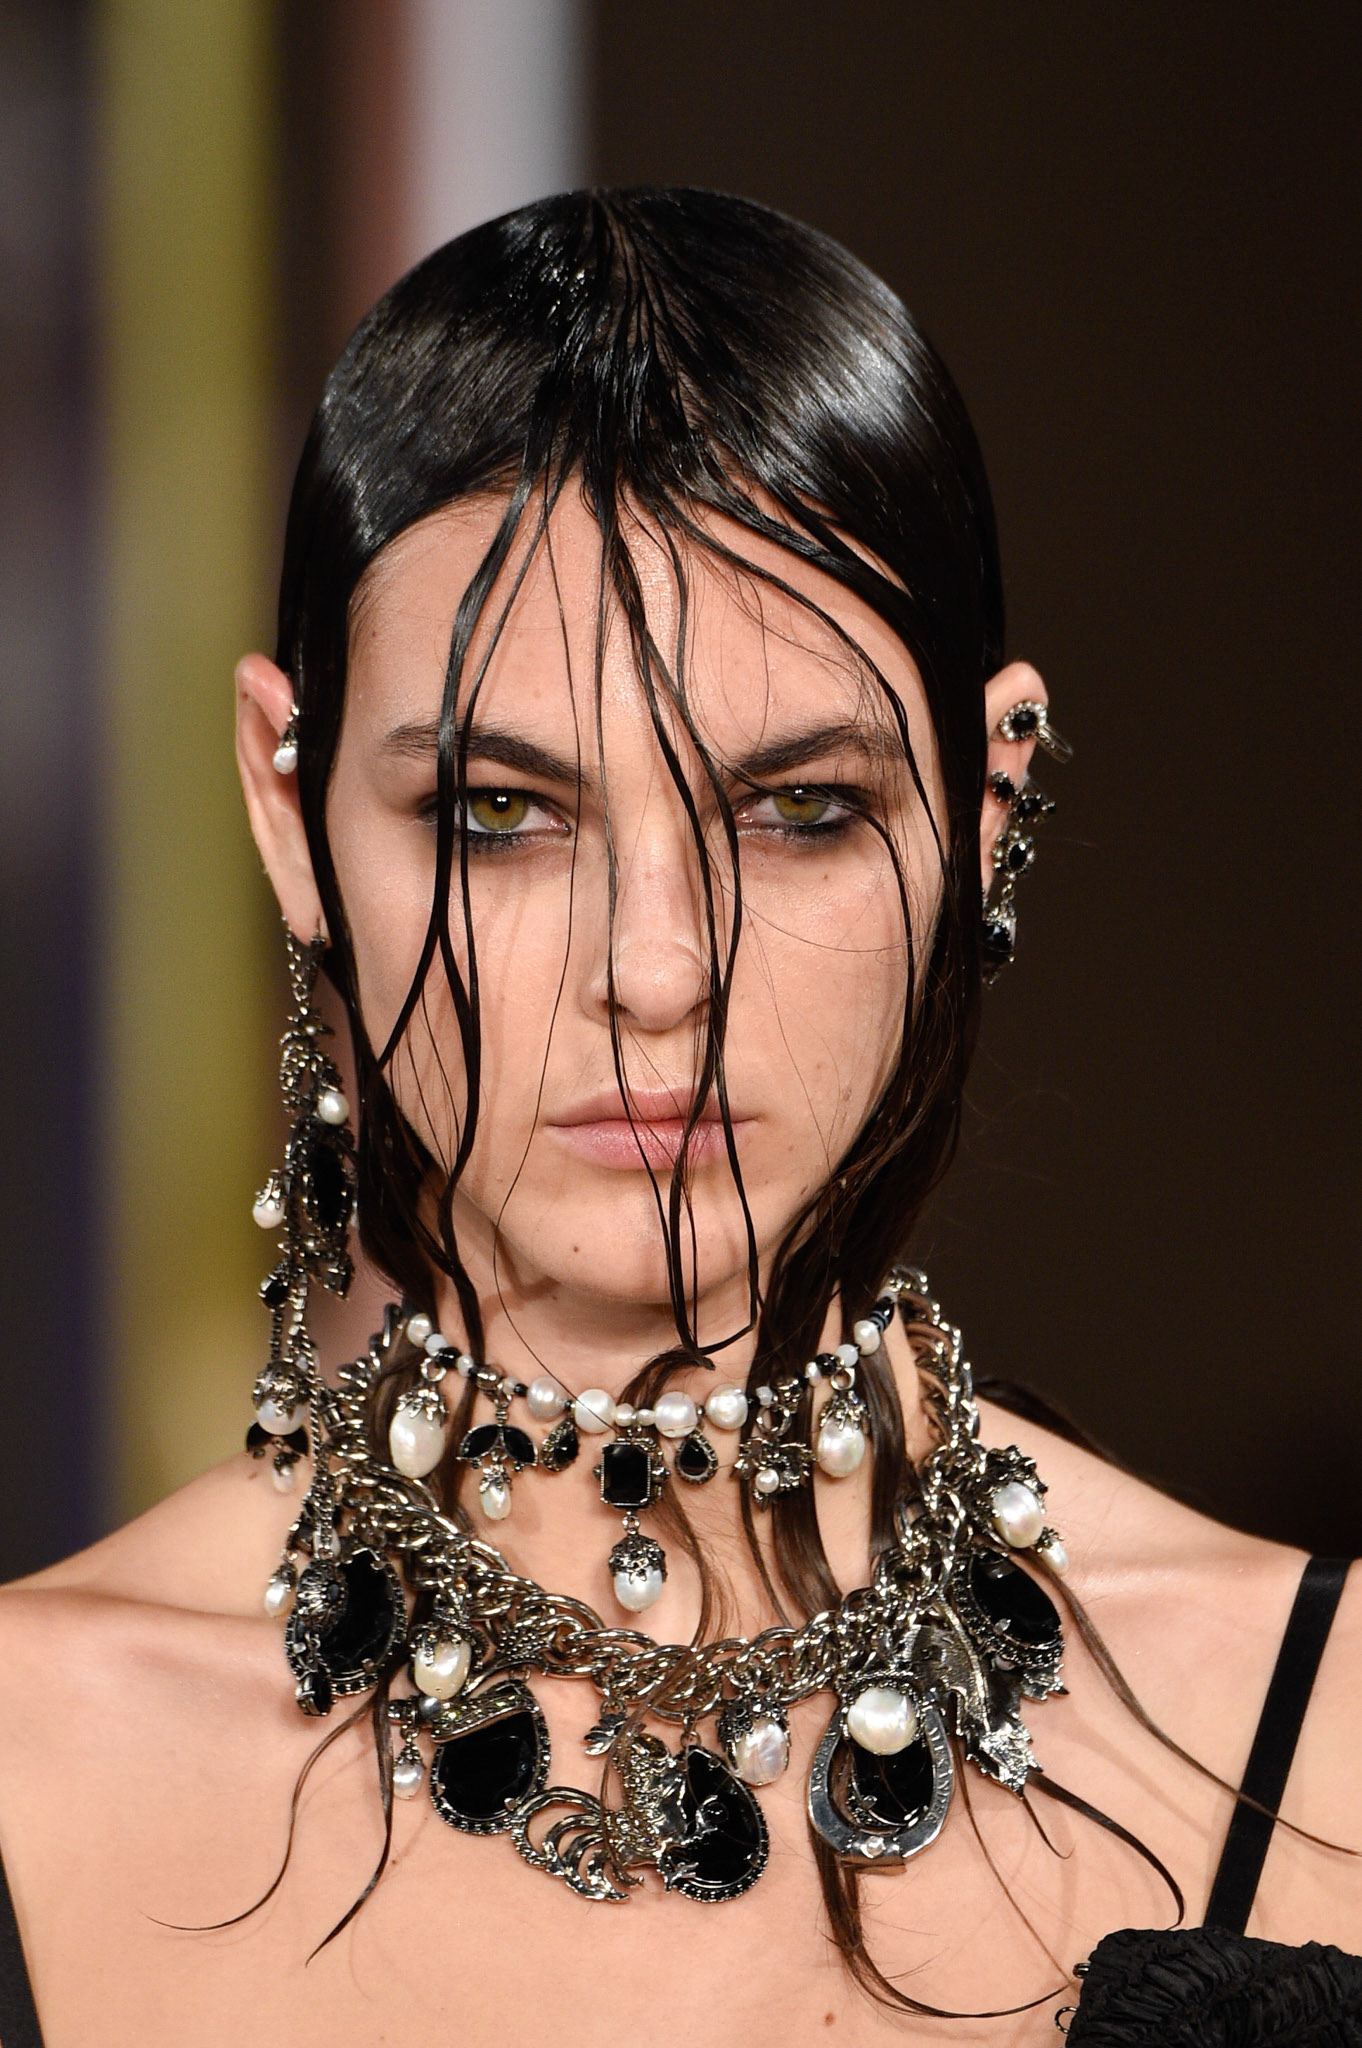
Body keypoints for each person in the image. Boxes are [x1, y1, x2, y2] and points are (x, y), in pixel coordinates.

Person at [0, 188, 1356, 2047]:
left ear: (987, 802)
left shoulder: (1328, 1735)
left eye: (796, 810)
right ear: (285, 805)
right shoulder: (30, 1750)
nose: (655, 972)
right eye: (498, 812)